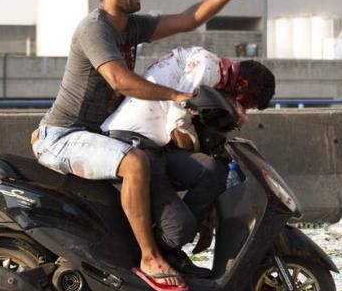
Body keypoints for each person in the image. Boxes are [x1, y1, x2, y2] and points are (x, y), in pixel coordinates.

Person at [31, 0, 266, 291]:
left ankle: (171, 249)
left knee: (208, 169)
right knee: (137, 163)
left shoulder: (130, 27)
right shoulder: (94, 28)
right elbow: (120, 81)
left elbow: (188, 19)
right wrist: (175, 97)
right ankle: (149, 257)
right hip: (63, 136)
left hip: (95, 135)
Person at [101, 46, 276, 277]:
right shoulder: (207, 68)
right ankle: (153, 252)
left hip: (154, 145)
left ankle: (172, 246)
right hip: (133, 143)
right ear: (242, 86)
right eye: (245, 102)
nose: (240, 107)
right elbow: (177, 126)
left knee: (213, 171)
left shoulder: (213, 70)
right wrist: (198, 145)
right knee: (179, 230)